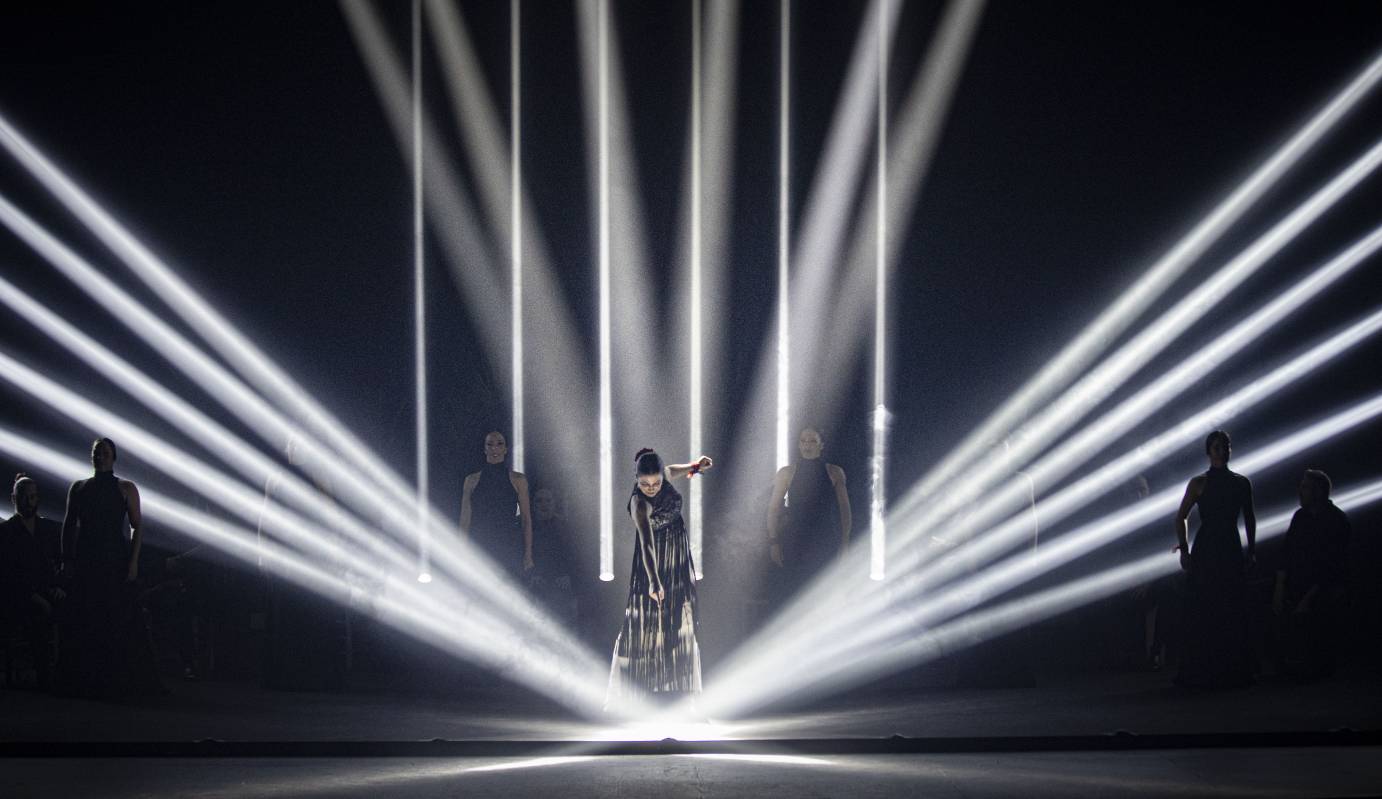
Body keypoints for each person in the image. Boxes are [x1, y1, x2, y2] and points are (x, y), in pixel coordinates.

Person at [607, 448, 712, 709]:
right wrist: (654, 580)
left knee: (679, 620)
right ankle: (637, 693)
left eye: (656, 483)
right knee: (647, 624)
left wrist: (695, 466)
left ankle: (681, 692)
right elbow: (647, 544)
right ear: (636, 479)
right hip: (654, 564)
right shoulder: (639, 503)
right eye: (645, 484)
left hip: (676, 558)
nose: (652, 488)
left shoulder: (663, 476)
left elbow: (672, 470)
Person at [59, 438, 161, 696]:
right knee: (88, 617)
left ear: (113, 457)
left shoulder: (125, 488)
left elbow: (137, 526)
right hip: (87, 558)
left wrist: (133, 561)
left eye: (104, 452)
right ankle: (88, 678)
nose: (100, 456)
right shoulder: (79, 487)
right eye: (96, 452)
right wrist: (66, 559)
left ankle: (115, 679)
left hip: (113, 558)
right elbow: (68, 524)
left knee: (116, 617)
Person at [1172, 430, 1256, 688]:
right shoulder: (1199, 482)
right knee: (1205, 606)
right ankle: (1206, 668)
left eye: (1225, 446)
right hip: (1208, 548)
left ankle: (1227, 668)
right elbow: (1180, 516)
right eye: (1217, 447)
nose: (1222, 450)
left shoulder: (1242, 483)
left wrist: (1251, 549)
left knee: (1229, 606)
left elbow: (1250, 517)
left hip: (1228, 546)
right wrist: (1185, 550)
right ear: (1209, 451)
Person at [1273, 468, 1351, 680]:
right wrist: (1280, 587)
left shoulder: (1336, 520)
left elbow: (1332, 567)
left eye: (1305, 487)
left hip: (1323, 589)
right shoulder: (1300, 517)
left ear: (1318, 491)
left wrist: (1308, 599)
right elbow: (1286, 552)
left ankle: (1313, 665)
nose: (1300, 491)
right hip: (1298, 585)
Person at [766, 428, 850, 597]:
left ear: (821, 445)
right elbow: (773, 509)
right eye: (804, 441)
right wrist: (774, 542)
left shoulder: (834, 472)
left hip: (825, 541)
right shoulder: (787, 473)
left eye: (812, 441)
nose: (807, 445)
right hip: (796, 541)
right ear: (798, 444)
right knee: (794, 592)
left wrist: (845, 543)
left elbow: (845, 510)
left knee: (826, 591)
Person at [0, 474, 65, 687]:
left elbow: (57, 561)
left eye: (33, 497)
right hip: (19, 596)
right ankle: (45, 674)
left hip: (45, 590)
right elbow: (9, 575)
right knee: (37, 616)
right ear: (14, 499)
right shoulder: (6, 532)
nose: (30, 502)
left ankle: (71, 670)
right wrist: (36, 596)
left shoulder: (47, 529)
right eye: (25, 497)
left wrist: (57, 586)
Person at [459, 431, 534, 575]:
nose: (495, 448)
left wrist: (528, 554)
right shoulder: (471, 480)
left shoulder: (518, 480)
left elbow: (526, 519)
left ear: (505, 449)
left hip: (508, 544)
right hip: (480, 544)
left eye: (499, 444)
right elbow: (465, 519)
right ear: (484, 448)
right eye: (490, 444)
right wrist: (462, 551)